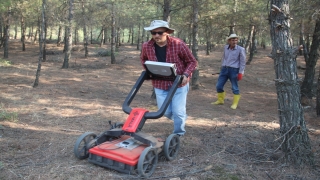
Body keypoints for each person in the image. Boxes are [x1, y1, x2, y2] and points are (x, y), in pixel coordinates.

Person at [140, 20, 197, 136]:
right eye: (153, 33)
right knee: (164, 112)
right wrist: (148, 70)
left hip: (178, 84)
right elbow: (143, 60)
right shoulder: (147, 46)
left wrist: (186, 75)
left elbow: (192, 61)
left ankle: (178, 134)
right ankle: (181, 117)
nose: (156, 35)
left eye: (159, 32)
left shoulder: (178, 44)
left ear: (167, 32)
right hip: (160, 84)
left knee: (178, 111)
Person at [212, 34, 246, 109]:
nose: (234, 42)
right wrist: (222, 67)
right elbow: (224, 58)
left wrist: (241, 72)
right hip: (224, 69)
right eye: (233, 40)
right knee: (219, 86)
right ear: (229, 41)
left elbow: (243, 62)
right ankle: (220, 100)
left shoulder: (241, 49)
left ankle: (234, 104)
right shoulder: (225, 48)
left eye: (236, 40)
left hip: (234, 70)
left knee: (234, 87)